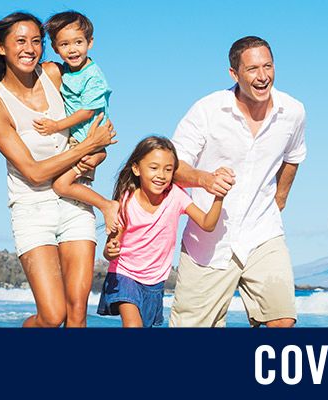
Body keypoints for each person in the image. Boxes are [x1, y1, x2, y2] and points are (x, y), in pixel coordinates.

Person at [0, 12, 117, 327]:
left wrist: (98, 150)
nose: (30, 48)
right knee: (53, 317)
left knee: (78, 313)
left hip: (75, 201)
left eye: (36, 41)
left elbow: (93, 110)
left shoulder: (52, 74)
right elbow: (34, 172)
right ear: (1, 48)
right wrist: (86, 148)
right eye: (20, 41)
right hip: (31, 208)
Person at [165, 36, 307, 328]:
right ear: (234, 74)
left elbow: (294, 156)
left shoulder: (292, 112)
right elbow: (172, 164)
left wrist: (279, 199)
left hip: (263, 232)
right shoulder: (208, 110)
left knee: (282, 321)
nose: (263, 76)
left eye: (268, 66)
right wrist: (204, 179)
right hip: (208, 238)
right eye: (253, 68)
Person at [98, 136, 226, 328]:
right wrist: (110, 250)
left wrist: (219, 197)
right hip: (125, 274)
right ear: (136, 168)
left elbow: (207, 224)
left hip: (154, 281)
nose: (161, 175)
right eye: (154, 167)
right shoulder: (127, 201)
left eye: (168, 169)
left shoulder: (176, 196)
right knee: (133, 326)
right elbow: (109, 249)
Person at [35, 11, 121, 233]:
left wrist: (56, 126)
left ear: (90, 43)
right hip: (81, 142)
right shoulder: (67, 71)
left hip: (88, 139)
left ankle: (107, 205)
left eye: (78, 42)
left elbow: (86, 112)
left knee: (61, 185)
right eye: (64, 44)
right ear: (55, 48)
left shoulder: (93, 76)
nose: (72, 49)